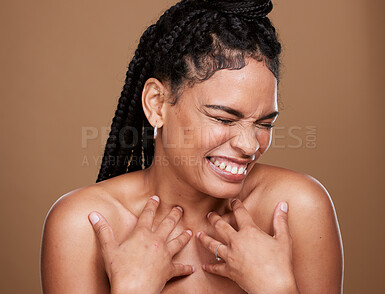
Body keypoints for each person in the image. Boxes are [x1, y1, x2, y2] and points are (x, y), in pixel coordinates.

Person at [40, 0, 344, 293]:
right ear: (157, 104)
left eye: (264, 123)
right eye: (224, 119)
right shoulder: (83, 227)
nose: (250, 144)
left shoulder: (297, 209)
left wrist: (277, 289)